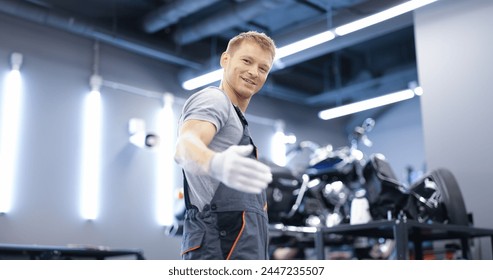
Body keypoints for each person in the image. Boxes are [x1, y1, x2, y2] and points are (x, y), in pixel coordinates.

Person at [174, 31, 276, 260]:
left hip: (243, 248)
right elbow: (185, 146)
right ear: (225, 60)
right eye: (247, 61)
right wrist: (214, 163)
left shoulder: (238, 122)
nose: (254, 72)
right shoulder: (215, 99)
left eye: (263, 68)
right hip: (218, 248)